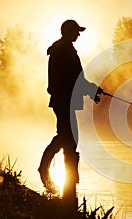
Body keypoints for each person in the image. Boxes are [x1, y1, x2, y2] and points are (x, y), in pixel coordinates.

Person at [38, 20, 103, 194]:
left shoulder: (63, 50)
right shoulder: (64, 51)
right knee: (67, 137)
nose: (79, 34)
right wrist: (92, 90)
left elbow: (75, 79)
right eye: (77, 31)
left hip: (64, 99)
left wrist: (91, 91)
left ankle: (67, 184)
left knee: (67, 137)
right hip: (64, 99)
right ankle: (64, 182)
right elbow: (75, 79)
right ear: (68, 31)